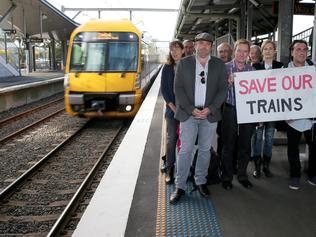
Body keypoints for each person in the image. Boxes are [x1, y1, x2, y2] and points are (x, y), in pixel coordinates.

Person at [170, 32, 227, 204]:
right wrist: (191, 109)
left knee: (204, 149)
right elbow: (178, 89)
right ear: (195, 45)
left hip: (210, 115)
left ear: (211, 46)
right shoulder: (184, 64)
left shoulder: (218, 64)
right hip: (188, 114)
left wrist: (210, 108)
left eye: (207, 44)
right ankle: (179, 185)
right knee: (185, 149)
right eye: (200, 43)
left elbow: (223, 89)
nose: (203, 46)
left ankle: (200, 181)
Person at [221, 39, 255, 190]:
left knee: (245, 144)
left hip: (247, 111)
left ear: (249, 54)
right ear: (234, 51)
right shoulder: (224, 68)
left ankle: (242, 175)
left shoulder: (252, 71)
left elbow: (258, 94)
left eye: (245, 51)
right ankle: (227, 177)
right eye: (239, 50)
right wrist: (227, 83)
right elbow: (216, 94)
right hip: (230, 109)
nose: (242, 54)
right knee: (228, 144)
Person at [251, 40, 284, 178]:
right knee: (258, 137)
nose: (268, 51)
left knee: (269, 137)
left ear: (275, 51)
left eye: (271, 49)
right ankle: (257, 166)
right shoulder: (255, 66)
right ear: (262, 51)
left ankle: (266, 166)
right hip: (259, 109)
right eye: (266, 49)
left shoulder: (281, 66)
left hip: (273, 109)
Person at [286, 39, 316, 190]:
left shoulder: (313, 69)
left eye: (304, 49)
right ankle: (295, 175)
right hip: (293, 118)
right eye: (298, 49)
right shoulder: (283, 71)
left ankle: (312, 174)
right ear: (292, 52)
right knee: (293, 148)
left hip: (312, 118)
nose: (302, 52)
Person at [160, 40, 184, 184]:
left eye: (177, 49)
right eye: (172, 49)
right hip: (172, 112)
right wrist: (174, 108)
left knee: (186, 142)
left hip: (187, 111)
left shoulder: (189, 66)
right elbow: (164, 90)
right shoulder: (167, 68)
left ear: (182, 50)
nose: (174, 52)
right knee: (171, 141)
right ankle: (170, 169)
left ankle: (184, 170)